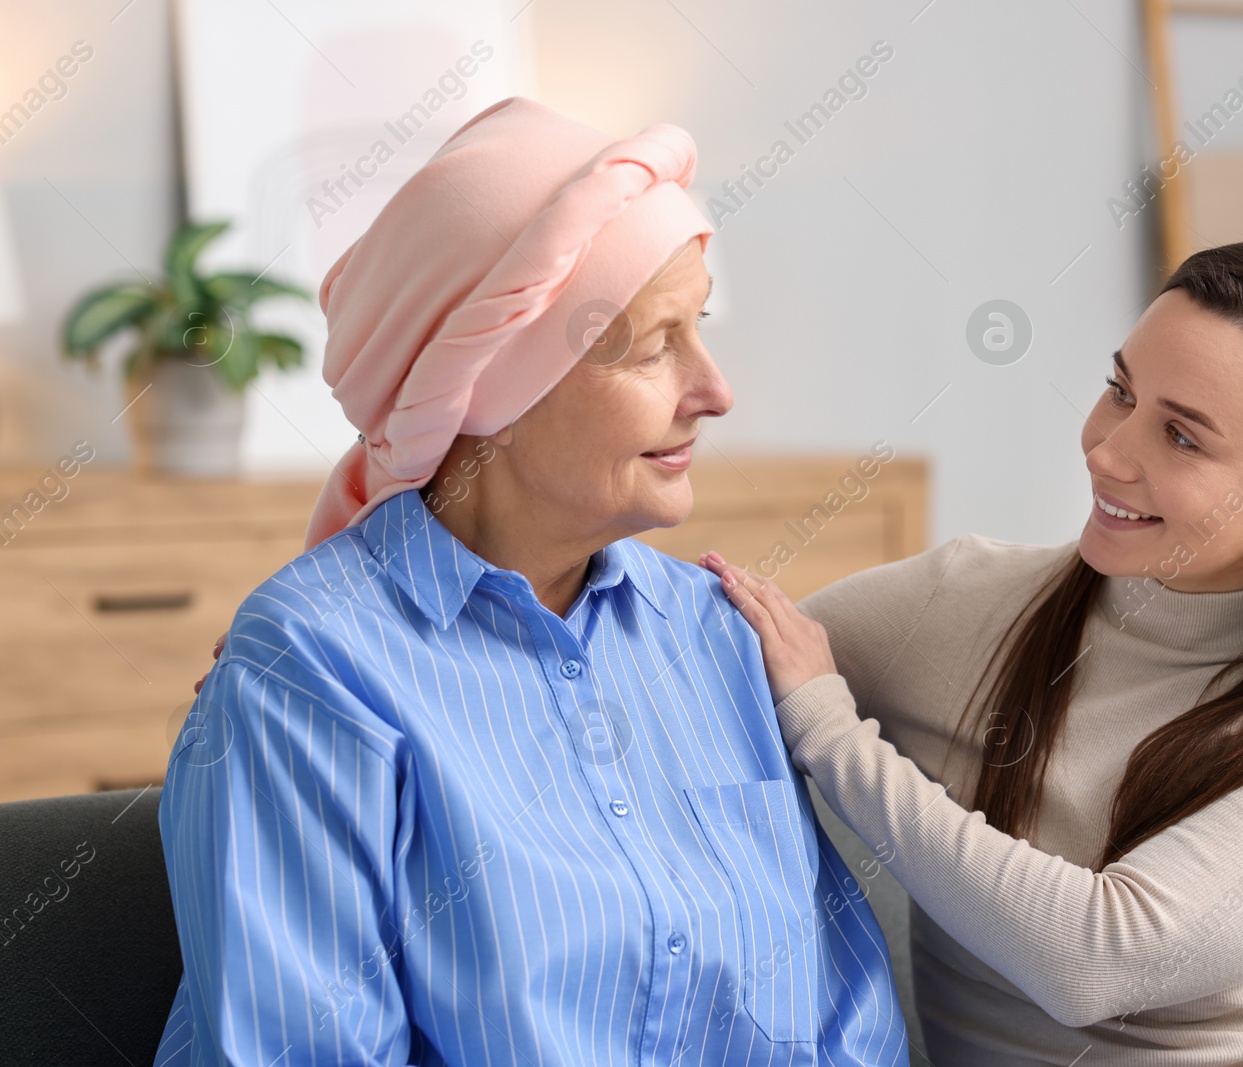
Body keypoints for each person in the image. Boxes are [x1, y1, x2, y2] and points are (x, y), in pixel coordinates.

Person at [158, 96, 908, 1066]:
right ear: (489, 392)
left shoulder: (714, 632)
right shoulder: (309, 667)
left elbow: (846, 1018)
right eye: (649, 345)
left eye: (700, 324)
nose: (714, 391)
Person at [701, 240, 1243, 1066]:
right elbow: (697, 672)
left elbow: (1096, 959)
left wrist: (832, 735)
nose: (1107, 451)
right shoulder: (957, 600)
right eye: (1120, 391)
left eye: (1182, 437)